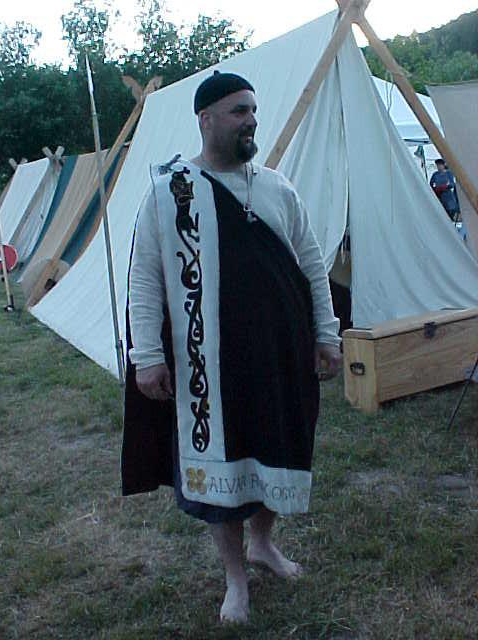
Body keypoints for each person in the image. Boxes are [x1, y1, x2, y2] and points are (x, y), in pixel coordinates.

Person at [121, 71, 342, 624]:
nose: (251, 121)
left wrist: (326, 333)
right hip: (207, 363)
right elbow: (144, 276)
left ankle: (262, 544)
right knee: (222, 466)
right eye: (240, 111)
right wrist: (146, 355)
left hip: (281, 354)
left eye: (253, 111)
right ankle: (235, 578)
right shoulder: (170, 192)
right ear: (207, 119)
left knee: (277, 452)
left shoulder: (276, 187)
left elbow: (312, 264)